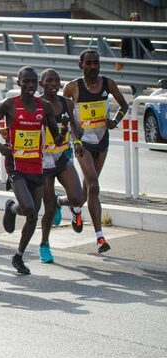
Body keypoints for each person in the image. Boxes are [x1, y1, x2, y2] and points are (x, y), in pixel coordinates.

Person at [0, 66, 63, 275]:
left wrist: (63, 133)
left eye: (33, 82)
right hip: (15, 164)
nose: (29, 85)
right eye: (25, 81)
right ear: (18, 83)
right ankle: (12, 208)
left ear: (37, 84)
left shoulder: (44, 107)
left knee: (33, 216)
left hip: (36, 165)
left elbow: (55, 134)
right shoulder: (10, 105)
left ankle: (18, 256)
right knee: (28, 207)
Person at [63, 50, 128, 254]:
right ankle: (100, 238)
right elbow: (66, 117)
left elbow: (124, 105)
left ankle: (72, 207)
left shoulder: (108, 83)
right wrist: (73, 139)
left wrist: (114, 121)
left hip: (102, 140)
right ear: (80, 65)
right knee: (94, 184)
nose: (93, 66)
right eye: (89, 63)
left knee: (87, 190)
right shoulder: (72, 87)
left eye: (96, 63)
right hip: (82, 143)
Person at [38, 68, 86, 264]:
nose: (53, 84)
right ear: (41, 84)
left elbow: (75, 127)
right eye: (49, 80)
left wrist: (77, 140)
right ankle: (44, 244)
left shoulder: (66, 102)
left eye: (56, 80)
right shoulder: (37, 104)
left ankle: (61, 202)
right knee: (48, 209)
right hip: (43, 160)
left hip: (63, 156)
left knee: (78, 197)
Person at [121, 11, 155, 95]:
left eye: (136, 19)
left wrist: (151, 49)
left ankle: (139, 89)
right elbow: (123, 45)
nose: (135, 21)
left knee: (140, 73)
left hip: (140, 55)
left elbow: (146, 41)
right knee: (131, 74)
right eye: (133, 19)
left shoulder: (142, 31)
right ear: (130, 20)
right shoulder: (127, 32)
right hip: (130, 56)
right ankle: (135, 89)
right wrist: (124, 56)